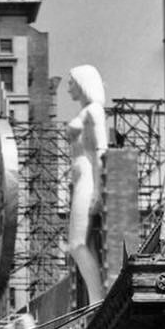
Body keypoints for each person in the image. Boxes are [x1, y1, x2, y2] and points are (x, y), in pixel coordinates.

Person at [67, 64, 109, 301]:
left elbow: (101, 150)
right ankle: (95, 297)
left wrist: (98, 191)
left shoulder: (94, 111)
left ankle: (97, 298)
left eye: (71, 82)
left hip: (88, 180)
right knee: (82, 243)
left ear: (83, 83)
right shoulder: (85, 111)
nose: (68, 88)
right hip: (80, 179)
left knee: (77, 243)